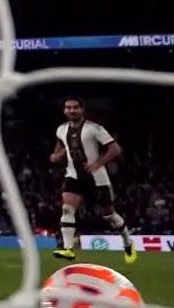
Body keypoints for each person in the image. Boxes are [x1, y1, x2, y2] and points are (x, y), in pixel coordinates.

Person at [51, 96, 135, 263]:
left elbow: (115, 149)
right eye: (68, 107)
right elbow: (59, 149)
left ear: (82, 110)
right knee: (67, 209)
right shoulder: (61, 130)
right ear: (64, 110)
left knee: (109, 215)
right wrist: (56, 156)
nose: (71, 110)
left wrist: (99, 162)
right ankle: (68, 249)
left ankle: (128, 242)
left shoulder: (94, 129)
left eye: (75, 107)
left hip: (97, 179)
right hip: (73, 175)